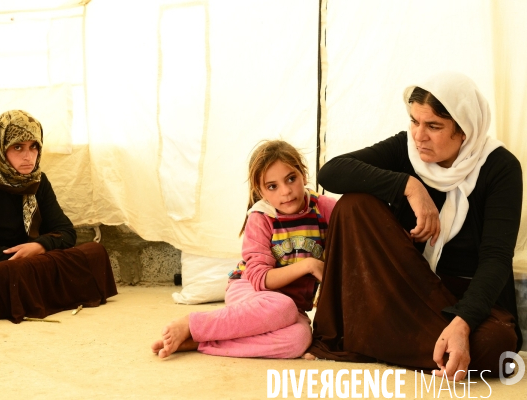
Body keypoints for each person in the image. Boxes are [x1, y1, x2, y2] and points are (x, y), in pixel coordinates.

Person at [305, 71, 522, 381]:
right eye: (414, 121)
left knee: (496, 348)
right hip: (406, 284)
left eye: (434, 126)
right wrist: (408, 185)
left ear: (465, 130)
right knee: (354, 204)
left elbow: (496, 260)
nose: (420, 136)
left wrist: (462, 322)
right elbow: (332, 171)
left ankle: (375, 340)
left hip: (462, 295)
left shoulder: (501, 168)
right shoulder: (407, 149)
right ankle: (414, 346)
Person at [151, 140, 337, 358]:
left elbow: (352, 229)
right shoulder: (261, 217)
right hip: (250, 288)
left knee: (299, 340)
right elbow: (259, 279)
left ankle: (199, 343)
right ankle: (193, 324)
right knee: (282, 306)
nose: (286, 191)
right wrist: (308, 265)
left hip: (292, 306)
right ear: (260, 191)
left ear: (303, 175)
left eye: (291, 179)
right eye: (272, 186)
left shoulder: (323, 209)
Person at [0, 110, 117, 323]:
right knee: (11, 274)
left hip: (27, 263)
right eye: (18, 147)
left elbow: (66, 232)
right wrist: (32, 256)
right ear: (0, 147)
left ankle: (34, 290)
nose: (28, 156)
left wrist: (40, 246)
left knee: (94, 252)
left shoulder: (37, 181)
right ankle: (46, 289)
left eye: (33, 146)